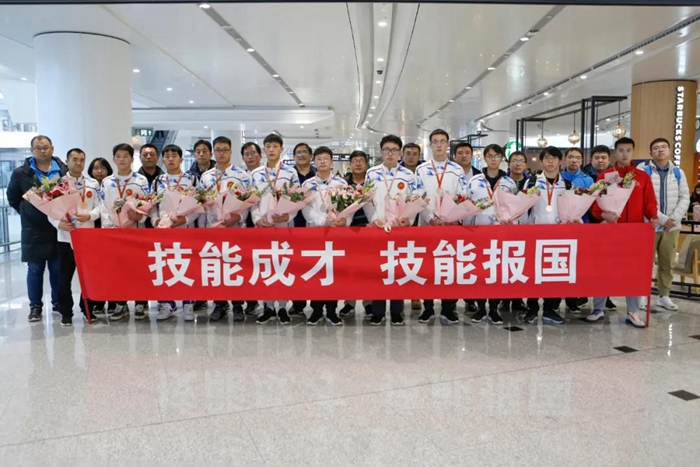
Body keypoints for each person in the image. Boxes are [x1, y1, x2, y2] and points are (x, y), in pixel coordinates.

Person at [586, 137, 659, 328]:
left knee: (633, 272)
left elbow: (650, 202)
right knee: (603, 269)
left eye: (628, 150)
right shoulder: (606, 177)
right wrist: (604, 214)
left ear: (633, 152)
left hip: (634, 233)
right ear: (615, 153)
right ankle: (598, 308)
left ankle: (633, 311)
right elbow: (595, 205)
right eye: (620, 150)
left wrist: (653, 216)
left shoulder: (642, 178)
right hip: (609, 232)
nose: (624, 154)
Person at [7, 135, 67, 322]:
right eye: (38, 148)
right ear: (32, 150)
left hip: (57, 226)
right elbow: (13, 197)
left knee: (57, 268)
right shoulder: (21, 173)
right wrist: (27, 212)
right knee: (35, 269)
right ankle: (35, 306)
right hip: (33, 229)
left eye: (46, 147)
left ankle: (57, 303)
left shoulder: (63, 171)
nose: (42, 150)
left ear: (52, 149)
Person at [364, 134, 420, 326]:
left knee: (398, 270)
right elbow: (366, 201)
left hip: (399, 229)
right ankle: (378, 311)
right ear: (381, 151)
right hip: (378, 228)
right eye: (387, 150)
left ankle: (397, 311)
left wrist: (408, 220)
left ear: (400, 153)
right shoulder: (371, 173)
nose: (390, 153)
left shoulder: (408, 175)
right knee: (379, 270)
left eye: (394, 150)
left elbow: (414, 200)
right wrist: (374, 219)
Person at [414, 129, 466, 325]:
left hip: (450, 226)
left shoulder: (457, 170)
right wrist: (430, 218)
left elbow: (462, 196)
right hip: (428, 225)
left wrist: (453, 217)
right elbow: (417, 197)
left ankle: (447, 308)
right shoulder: (421, 170)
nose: (438, 145)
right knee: (427, 268)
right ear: (430, 145)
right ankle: (428, 308)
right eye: (435, 141)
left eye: (442, 141)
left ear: (447, 144)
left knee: (448, 267)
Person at [199, 136, 253, 322]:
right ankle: (219, 304)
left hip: (235, 228)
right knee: (216, 267)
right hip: (213, 228)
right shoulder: (206, 177)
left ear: (231, 151)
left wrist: (239, 217)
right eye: (218, 150)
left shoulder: (242, 175)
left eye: (225, 150)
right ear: (213, 152)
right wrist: (203, 228)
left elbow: (248, 202)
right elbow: (200, 203)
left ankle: (238, 305)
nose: (221, 153)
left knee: (235, 266)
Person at [251, 133, 301, 325]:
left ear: (281, 149)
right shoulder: (256, 174)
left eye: (275, 146)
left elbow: (297, 199)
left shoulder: (290, 172)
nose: (271, 150)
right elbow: (251, 201)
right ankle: (268, 307)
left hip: (284, 226)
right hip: (263, 227)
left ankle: (282, 307)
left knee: (283, 265)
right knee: (265, 266)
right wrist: (257, 219)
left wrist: (288, 216)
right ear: (263, 149)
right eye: (268, 146)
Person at [467, 143, 518, 325]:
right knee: (480, 271)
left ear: (502, 158)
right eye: (490, 156)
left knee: (497, 272)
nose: (493, 159)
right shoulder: (474, 181)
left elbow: (516, 208)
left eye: (497, 156)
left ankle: (494, 308)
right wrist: (467, 231)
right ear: (484, 158)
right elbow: (467, 207)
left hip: (501, 233)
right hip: (479, 233)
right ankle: (481, 308)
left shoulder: (509, 183)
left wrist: (512, 225)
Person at [636, 137, 690, 312]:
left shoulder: (678, 173)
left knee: (667, 263)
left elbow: (685, 197)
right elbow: (641, 199)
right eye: (656, 148)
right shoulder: (643, 171)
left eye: (664, 147)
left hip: (671, 227)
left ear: (669, 151)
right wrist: (662, 218)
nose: (660, 150)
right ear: (650, 152)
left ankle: (664, 296)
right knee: (645, 262)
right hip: (649, 224)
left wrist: (672, 219)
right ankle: (642, 294)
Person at [100, 143, 151, 321]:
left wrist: (140, 217)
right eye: (118, 156)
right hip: (115, 233)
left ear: (132, 158)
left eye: (125, 156)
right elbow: (103, 207)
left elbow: (148, 204)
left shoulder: (141, 180)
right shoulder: (107, 182)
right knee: (118, 269)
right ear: (113, 159)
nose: (122, 160)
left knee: (138, 269)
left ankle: (140, 303)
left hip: (136, 232)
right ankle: (120, 304)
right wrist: (110, 226)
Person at [523, 147, 574, 326]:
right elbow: (523, 208)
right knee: (533, 272)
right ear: (541, 161)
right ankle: (532, 307)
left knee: (555, 272)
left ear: (561, 161)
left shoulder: (568, 185)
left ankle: (550, 309)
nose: (550, 162)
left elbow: (573, 208)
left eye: (554, 158)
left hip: (559, 236)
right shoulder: (531, 182)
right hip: (535, 234)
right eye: (547, 158)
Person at [50, 148, 100, 326]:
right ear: (67, 161)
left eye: (82, 160)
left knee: (89, 276)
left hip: (87, 237)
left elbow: (100, 206)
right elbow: (50, 210)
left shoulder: (93, 183)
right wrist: (59, 224)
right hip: (66, 237)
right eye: (75, 159)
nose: (78, 163)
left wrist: (90, 216)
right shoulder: (58, 183)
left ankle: (88, 309)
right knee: (64, 278)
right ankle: (66, 312)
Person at [150, 144, 200, 321]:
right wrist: (156, 221)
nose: (170, 159)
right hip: (163, 231)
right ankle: (167, 304)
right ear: (162, 159)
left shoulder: (191, 179)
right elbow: (151, 205)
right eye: (167, 156)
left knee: (187, 267)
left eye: (174, 156)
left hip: (185, 230)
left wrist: (185, 220)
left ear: (181, 158)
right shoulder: (158, 181)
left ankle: (188, 304)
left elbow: (199, 205)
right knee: (164, 267)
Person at [301, 146, 348, 325]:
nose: (322, 161)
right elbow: (305, 209)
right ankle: (316, 310)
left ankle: (332, 310)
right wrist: (322, 221)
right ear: (314, 161)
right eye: (319, 158)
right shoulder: (307, 185)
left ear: (331, 161)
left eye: (326, 158)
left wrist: (343, 220)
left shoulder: (341, 184)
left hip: (335, 234)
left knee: (333, 272)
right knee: (316, 271)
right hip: (315, 234)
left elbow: (348, 207)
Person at [580, 145, 617, 311]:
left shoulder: (615, 177)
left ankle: (605, 296)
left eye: (603, 158)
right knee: (586, 261)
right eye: (597, 158)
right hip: (589, 223)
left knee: (606, 262)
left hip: (608, 224)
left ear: (609, 160)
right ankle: (583, 293)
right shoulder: (584, 177)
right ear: (591, 159)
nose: (600, 161)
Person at [339, 150, 372, 318]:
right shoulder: (343, 184)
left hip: (370, 230)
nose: (358, 164)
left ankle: (368, 302)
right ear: (350, 164)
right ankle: (349, 302)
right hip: (348, 232)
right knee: (349, 269)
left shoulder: (372, 183)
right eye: (355, 161)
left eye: (361, 160)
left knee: (368, 269)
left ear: (366, 164)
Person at [499, 150, 530, 313]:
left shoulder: (531, 183)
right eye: (514, 161)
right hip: (505, 228)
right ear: (509, 164)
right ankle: (504, 299)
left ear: (525, 165)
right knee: (505, 264)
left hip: (525, 229)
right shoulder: (502, 182)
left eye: (521, 161)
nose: (518, 164)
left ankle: (518, 299)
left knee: (521, 265)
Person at [289, 142, 317, 316]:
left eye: (305, 152)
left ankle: (315, 302)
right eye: (298, 152)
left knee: (314, 264)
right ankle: (297, 302)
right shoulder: (289, 175)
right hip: (293, 224)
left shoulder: (317, 175)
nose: (301, 155)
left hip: (314, 227)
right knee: (296, 265)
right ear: (293, 157)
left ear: (311, 156)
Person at [86, 157, 115, 316]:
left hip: (109, 232)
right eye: (96, 168)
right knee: (96, 270)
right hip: (91, 232)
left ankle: (112, 301)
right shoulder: (86, 186)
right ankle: (98, 301)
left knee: (110, 269)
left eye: (103, 168)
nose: (99, 171)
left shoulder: (112, 186)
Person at [399, 142, 424, 312]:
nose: (411, 157)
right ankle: (399, 296)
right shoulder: (398, 172)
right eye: (408, 153)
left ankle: (416, 295)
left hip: (421, 221)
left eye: (415, 154)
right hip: (401, 223)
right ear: (402, 154)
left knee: (418, 260)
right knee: (401, 259)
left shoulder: (425, 172)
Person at [241, 142, 263, 315]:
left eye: (253, 153)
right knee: (246, 265)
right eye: (247, 154)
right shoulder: (240, 177)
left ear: (260, 156)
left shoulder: (266, 176)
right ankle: (251, 300)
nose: (250, 157)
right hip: (243, 225)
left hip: (262, 224)